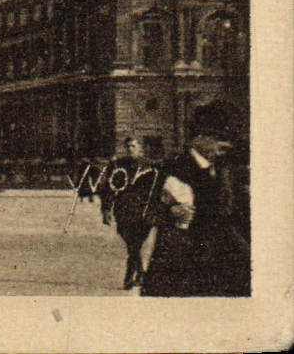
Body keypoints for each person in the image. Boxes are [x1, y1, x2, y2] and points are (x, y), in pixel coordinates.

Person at [143, 103, 249, 297]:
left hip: (221, 255)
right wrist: (169, 213)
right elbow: (148, 209)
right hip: (183, 257)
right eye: (219, 139)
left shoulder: (224, 168)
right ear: (200, 138)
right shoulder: (174, 167)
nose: (225, 147)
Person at [105, 136, 160, 289]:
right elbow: (109, 189)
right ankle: (141, 273)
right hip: (123, 211)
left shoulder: (150, 167)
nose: (130, 149)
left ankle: (129, 277)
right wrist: (106, 210)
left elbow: (156, 191)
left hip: (144, 211)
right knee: (131, 243)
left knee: (134, 244)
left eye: (133, 146)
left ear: (140, 149)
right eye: (128, 146)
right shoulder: (117, 165)